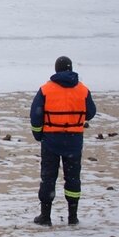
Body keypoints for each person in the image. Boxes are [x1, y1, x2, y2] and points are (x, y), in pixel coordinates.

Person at [30, 56, 96, 226]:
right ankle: (72, 216)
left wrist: (38, 135)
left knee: (48, 177)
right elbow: (90, 112)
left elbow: (36, 115)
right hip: (74, 141)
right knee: (73, 178)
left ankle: (45, 216)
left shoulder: (46, 89)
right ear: (71, 68)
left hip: (51, 141)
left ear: (56, 69)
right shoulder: (82, 90)